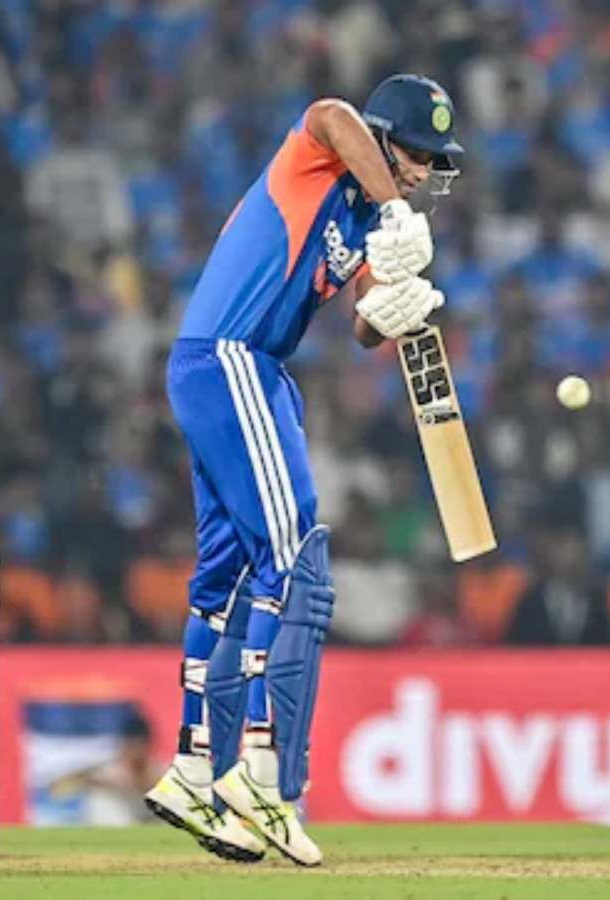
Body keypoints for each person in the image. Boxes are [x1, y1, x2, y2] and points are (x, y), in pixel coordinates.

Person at [142, 73, 464, 866]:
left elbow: (360, 325)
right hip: (234, 358)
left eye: (434, 161)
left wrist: (389, 311)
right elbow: (331, 113)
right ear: (383, 140)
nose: (424, 172)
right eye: (416, 153)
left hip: (223, 368)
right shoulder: (320, 156)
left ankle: (192, 768)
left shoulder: (367, 221)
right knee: (294, 558)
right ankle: (259, 774)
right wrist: (395, 209)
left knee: (226, 577)